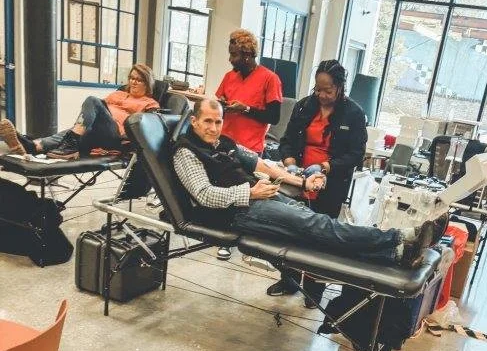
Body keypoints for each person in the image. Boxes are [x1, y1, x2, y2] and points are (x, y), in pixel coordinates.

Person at [173, 99, 434, 277]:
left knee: (315, 224)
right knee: (317, 225)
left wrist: (302, 182)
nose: (214, 128)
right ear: (194, 121)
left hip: (259, 196)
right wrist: (250, 193)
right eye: (208, 121)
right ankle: (397, 237)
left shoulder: (224, 143)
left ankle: (393, 254)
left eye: (218, 122)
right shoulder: (186, 152)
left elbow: (262, 164)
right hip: (237, 212)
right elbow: (204, 195)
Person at [269, 59, 367, 305]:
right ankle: (289, 281)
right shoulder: (304, 106)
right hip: (298, 179)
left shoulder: (354, 114)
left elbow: (356, 154)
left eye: (328, 90)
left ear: (340, 87)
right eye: (318, 89)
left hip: (331, 182)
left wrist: (325, 167)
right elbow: (287, 140)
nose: (322, 95)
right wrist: (291, 164)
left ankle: (314, 291)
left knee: (320, 237)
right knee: (292, 230)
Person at [214, 29, 283, 260]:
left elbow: (274, 116)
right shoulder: (229, 77)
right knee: (226, 190)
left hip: (250, 147)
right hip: (225, 142)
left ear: (247, 55)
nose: (230, 59)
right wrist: (222, 106)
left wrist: (245, 109)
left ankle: (236, 239)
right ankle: (224, 236)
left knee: (246, 193)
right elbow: (218, 105)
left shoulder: (269, 79)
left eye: (234, 55)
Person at [0, 63, 159, 160]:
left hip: (115, 136)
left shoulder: (150, 103)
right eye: (132, 78)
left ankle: (70, 143)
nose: (133, 82)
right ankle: (32, 146)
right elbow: (96, 113)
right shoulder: (118, 94)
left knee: (92, 101)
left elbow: (149, 129)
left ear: (147, 83)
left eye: (139, 79)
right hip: (95, 132)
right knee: (73, 132)